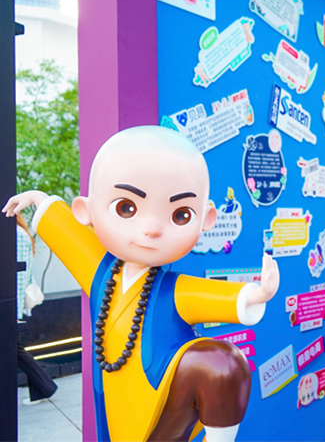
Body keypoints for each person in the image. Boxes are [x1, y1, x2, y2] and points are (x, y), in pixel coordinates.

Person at [3, 126, 280, 442]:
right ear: (85, 210)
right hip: (114, 392)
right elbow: (67, 234)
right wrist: (40, 201)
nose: (151, 228)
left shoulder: (173, 289)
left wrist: (258, 293)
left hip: (160, 392)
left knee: (221, 363)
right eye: (127, 208)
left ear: (206, 219)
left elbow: (215, 296)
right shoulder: (99, 273)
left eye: (180, 214)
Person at [16, 213, 58, 405]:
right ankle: (44, 388)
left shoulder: (16, 235)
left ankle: (45, 388)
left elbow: (18, 274)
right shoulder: (20, 233)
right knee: (15, 349)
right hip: (14, 302)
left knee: (15, 349)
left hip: (12, 303)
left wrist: (14, 309)